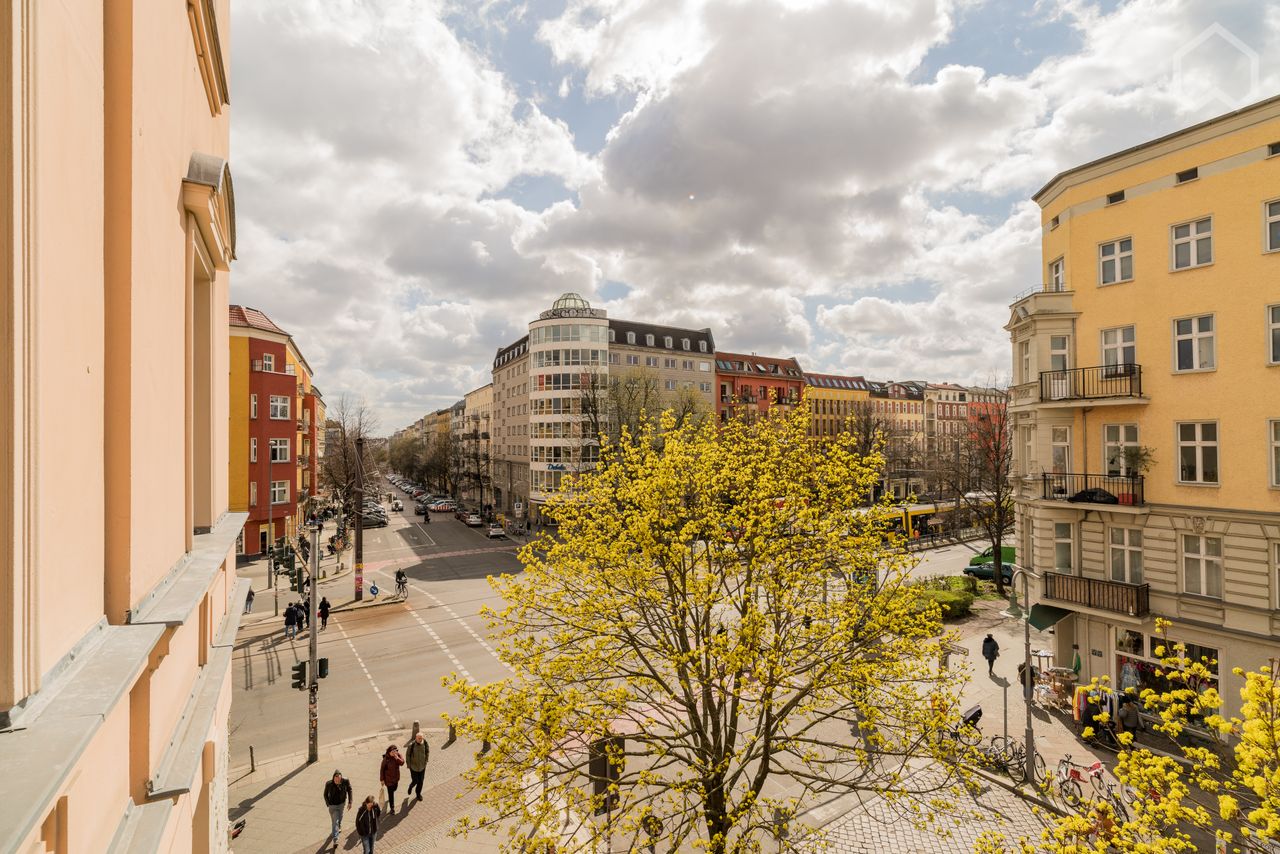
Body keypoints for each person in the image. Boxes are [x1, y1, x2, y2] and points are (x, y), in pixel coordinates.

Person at [323, 770, 353, 849]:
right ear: (333, 778)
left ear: (341, 778)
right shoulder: (329, 784)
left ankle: (338, 826)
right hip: (333, 806)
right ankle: (335, 840)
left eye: (339, 780)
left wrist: (350, 802)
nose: (337, 781)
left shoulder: (345, 781)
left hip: (341, 804)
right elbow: (325, 794)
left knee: (339, 818)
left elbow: (349, 790)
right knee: (335, 821)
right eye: (336, 780)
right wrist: (328, 804)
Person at [404, 732, 429, 801]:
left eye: (421, 738)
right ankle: (411, 786)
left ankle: (418, 794)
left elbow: (427, 751)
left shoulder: (425, 743)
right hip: (413, 767)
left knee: (421, 781)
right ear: (416, 738)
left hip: (422, 766)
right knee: (415, 780)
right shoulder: (411, 745)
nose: (420, 739)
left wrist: (426, 760)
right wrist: (408, 765)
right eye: (419, 738)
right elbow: (407, 755)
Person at [379, 744, 404, 812]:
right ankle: (392, 808)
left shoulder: (398, 755)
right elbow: (382, 769)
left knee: (395, 788)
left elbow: (402, 763)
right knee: (391, 794)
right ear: (389, 752)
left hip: (396, 778)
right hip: (388, 780)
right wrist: (382, 779)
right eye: (392, 752)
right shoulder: (386, 759)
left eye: (395, 751)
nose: (394, 753)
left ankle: (390, 800)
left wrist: (397, 758)